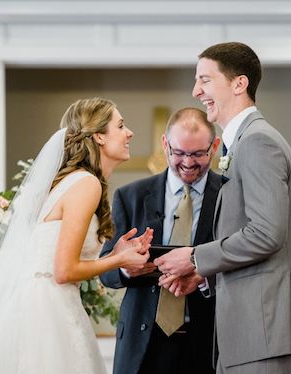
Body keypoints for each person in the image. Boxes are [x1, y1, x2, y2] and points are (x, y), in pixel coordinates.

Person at [0, 97, 153, 374]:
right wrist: (120, 260)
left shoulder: (72, 181)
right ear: (99, 138)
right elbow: (64, 271)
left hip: (39, 302)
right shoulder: (86, 183)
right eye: (121, 125)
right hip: (48, 309)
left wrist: (116, 253)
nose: (129, 133)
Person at [155, 42, 291, 373]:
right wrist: (204, 274)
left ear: (238, 83)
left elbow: (266, 234)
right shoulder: (245, 141)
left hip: (264, 328)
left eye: (204, 79)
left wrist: (192, 257)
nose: (195, 90)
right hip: (252, 330)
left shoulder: (258, 142)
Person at [99, 108, 222, 374]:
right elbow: (105, 271)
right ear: (165, 144)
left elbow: (242, 260)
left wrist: (204, 276)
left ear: (215, 146)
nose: (188, 162)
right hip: (142, 345)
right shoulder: (130, 196)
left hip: (209, 342)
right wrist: (123, 266)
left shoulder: (230, 194)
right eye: (179, 153)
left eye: (198, 154)